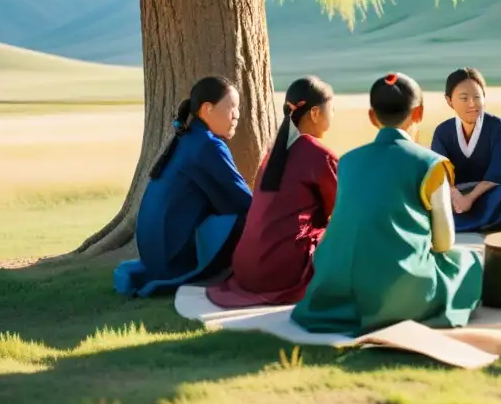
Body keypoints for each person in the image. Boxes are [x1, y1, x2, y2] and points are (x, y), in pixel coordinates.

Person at [292, 72, 483, 334]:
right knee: (469, 263)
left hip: (336, 284)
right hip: (400, 287)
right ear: (419, 113)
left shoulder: (348, 161)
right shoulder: (430, 164)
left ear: (372, 116)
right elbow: (444, 242)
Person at [113, 76, 252, 297]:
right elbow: (244, 201)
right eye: (231, 107)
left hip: (154, 257)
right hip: (174, 261)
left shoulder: (187, 139)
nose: (236, 115)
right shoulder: (208, 146)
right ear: (207, 109)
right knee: (249, 218)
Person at [207, 77, 338, 308]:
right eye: (332, 109)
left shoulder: (273, 154)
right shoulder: (319, 155)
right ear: (315, 113)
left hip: (246, 269)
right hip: (280, 271)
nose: (334, 115)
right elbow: (341, 211)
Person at [430, 67, 501, 232]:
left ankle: (456, 224)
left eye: (477, 97)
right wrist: (456, 195)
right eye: (464, 98)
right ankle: (484, 223)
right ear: (449, 100)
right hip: (454, 197)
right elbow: (439, 174)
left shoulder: (497, 127)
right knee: (434, 199)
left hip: (486, 193)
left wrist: (470, 198)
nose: (472, 104)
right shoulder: (443, 131)